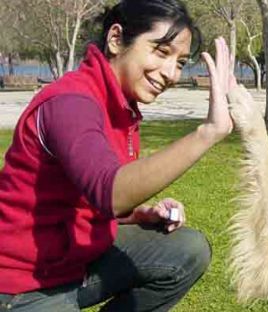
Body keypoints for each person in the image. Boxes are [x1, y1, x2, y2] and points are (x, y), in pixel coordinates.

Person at [0, 0, 237, 311]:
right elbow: (109, 192)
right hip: (25, 284)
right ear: (115, 39)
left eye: (180, 62)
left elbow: (89, 198)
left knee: (187, 250)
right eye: (161, 52)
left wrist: (138, 214)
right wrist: (208, 132)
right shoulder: (71, 103)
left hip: (78, 262)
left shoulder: (122, 106)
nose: (172, 74)